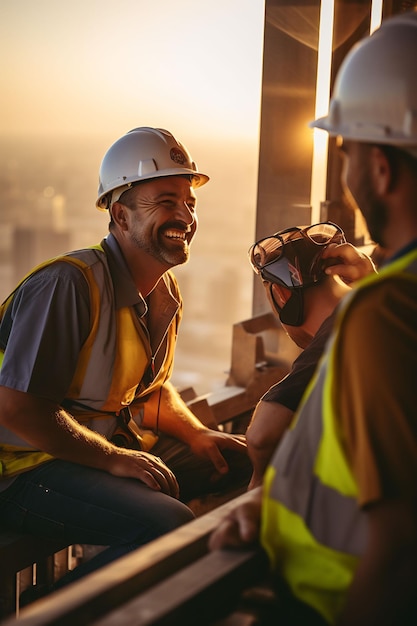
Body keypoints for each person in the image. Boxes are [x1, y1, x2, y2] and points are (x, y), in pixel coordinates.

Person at [210, 11, 417, 626]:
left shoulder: (380, 315)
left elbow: (400, 547)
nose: (347, 174)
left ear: (380, 168)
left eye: (348, 151)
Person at [0, 126, 249, 591]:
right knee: (166, 527)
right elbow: (18, 409)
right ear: (120, 214)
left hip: (85, 455)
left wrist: (195, 435)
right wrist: (112, 458)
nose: (186, 215)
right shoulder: (69, 285)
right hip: (20, 472)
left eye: (189, 202)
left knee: (244, 462)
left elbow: (145, 390)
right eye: (166, 201)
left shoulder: (162, 292)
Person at [245, 222, 376, 488]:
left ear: (281, 296)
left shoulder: (342, 327)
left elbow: (262, 436)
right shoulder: (379, 305)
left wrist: (259, 482)